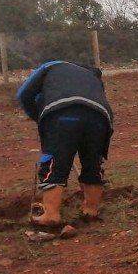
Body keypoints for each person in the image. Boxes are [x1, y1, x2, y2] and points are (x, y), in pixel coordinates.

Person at [16, 61, 114, 226]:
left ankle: (51, 214)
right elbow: (97, 100)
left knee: (54, 164)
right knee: (93, 164)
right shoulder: (92, 75)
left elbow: (23, 94)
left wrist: (39, 117)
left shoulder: (51, 66)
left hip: (62, 116)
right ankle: (91, 210)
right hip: (100, 118)